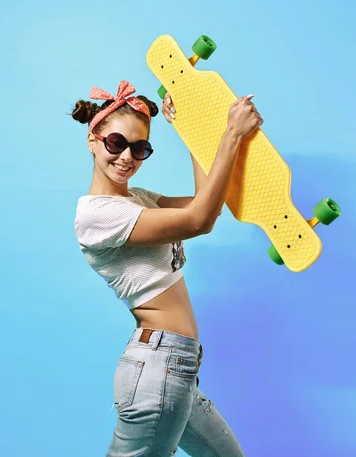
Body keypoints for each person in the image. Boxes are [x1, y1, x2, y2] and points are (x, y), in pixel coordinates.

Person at [72, 80, 263, 457]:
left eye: (139, 148)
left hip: (177, 368)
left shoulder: (138, 200)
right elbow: (198, 220)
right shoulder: (96, 215)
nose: (126, 156)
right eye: (116, 143)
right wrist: (231, 135)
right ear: (93, 139)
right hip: (158, 367)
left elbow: (209, 202)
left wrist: (189, 130)